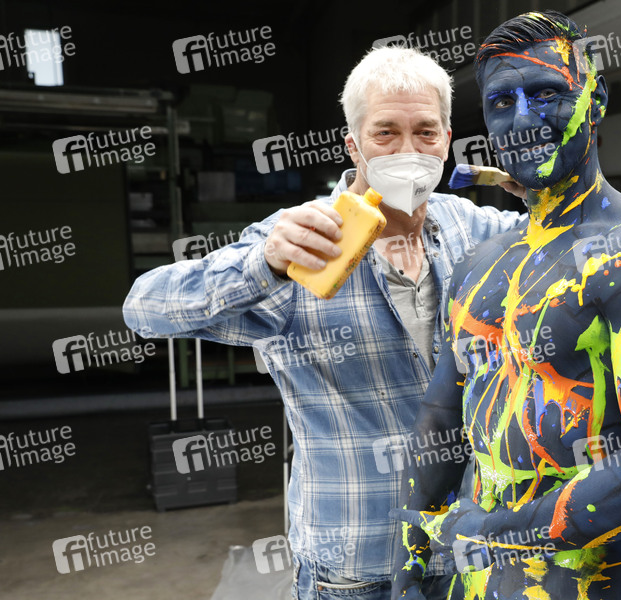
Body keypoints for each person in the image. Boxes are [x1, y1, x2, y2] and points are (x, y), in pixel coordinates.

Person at [123, 46, 525, 600]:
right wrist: (262, 265)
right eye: (385, 133)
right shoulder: (301, 241)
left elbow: (594, 245)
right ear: (353, 144)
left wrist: (557, 197)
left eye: (425, 133)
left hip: (467, 551)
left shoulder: (472, 229)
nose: (409, 151)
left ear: (447, 139)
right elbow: (144, 307)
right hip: (357, 565)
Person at [390, 11, 621, 599]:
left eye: (547, 94)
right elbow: (441, 416)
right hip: (476, 583)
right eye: (502, 103)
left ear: (596, 102)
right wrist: (411, 558)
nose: (523, 119)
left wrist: (486, 533)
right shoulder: (480, 263)